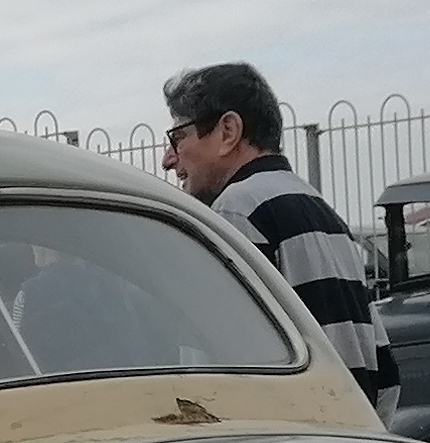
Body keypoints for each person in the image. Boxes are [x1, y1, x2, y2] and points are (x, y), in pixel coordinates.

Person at [157, 63, 384, 398]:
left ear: (228, 131)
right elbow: (382, 366)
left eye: (178, 137)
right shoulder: (322, 212)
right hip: (349, 421)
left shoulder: (238, 209)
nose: (168, 159)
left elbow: (226, 365)